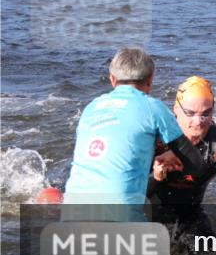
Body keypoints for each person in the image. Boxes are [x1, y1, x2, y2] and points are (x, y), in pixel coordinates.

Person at [62, 48, 186, 211]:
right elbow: (193, 161)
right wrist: (173, 155)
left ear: (112, 79)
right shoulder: (153, 107)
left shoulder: (90, 108)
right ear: (150, 80)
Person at [147, 76, 216, 239]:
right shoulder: (152, 137)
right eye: (190, 113)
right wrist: (155, 177)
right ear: (176, 109)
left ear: (213, 110)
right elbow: (123, 189)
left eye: (206, 113)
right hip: (145, 212)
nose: (198, 121)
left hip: (190, 215)